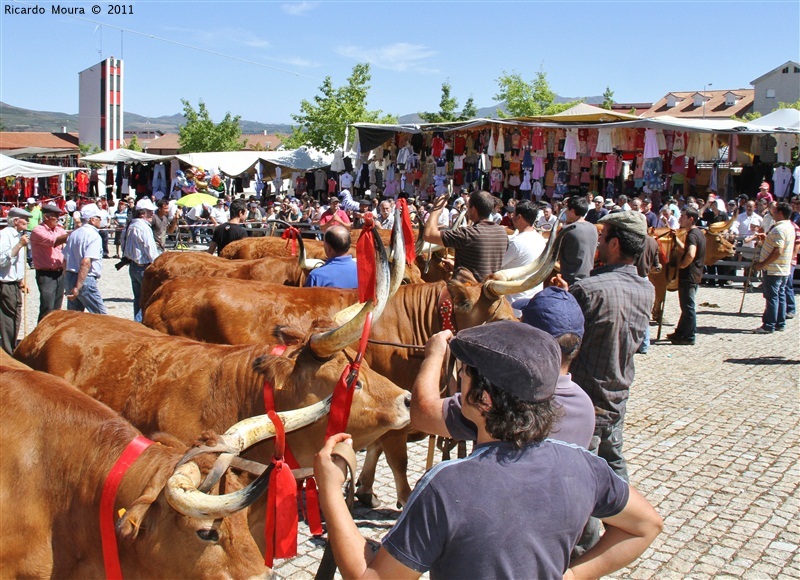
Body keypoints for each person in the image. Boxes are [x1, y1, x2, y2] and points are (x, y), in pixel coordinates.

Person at [315, 321, 663, 579]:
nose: (459, 380)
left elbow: (370, 578)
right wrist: (571, 575)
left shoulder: (446, 486)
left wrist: (330, 488)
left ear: (483, 398)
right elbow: (646, 525)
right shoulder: (584, 465)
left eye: (465, 374)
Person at [557, 211, 653, 480]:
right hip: (619, 390)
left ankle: (588, 522)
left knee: (582, 471)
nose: (598, 242)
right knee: (613, 460)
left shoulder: (588, 289)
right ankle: (621, 517)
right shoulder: (647, 289)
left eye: (603, 237)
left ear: (614, 244)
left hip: (586, 397)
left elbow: (566, 342)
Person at [423, 190, 508, 281]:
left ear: (474, 210)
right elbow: (485, 262)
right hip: (490, 291)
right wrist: (457, 266)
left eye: (468, 207)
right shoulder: (502, 233)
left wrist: (437, 208)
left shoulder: (467, 233)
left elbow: (428, 235)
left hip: (467, 292)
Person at [751, 202, 796, 333]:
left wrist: (762, 264)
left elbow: (778, 250)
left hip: (773, 268)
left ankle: (769, 325)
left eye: (774, 211)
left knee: (772, 297)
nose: (772, 213)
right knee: (780, 295)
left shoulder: (779, 229)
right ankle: (779, 323)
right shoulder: (789, 226)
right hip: (783, 268)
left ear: (780, 213)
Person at [498, 200, 546, 314]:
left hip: (514, 304)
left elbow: (496, 265)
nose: (512, 217)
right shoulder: (540, 239)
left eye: (514, 214)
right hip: (534, 299)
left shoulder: (516, 243)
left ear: (519, 217)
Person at [668, 207, 705, 345]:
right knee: (685, 306)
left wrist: (682, 265)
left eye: (682, 216)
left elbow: (690, 253)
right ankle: (680, 332)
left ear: (690, 219)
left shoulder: (692, 235)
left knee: (688, 306)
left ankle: (689, 336)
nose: (679, 218)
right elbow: (686, 248)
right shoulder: (698, 233)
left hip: (689, 275)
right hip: (693, 274)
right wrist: (676, 239)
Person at [63, 203, 107, 315]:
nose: (100, 220)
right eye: (99, 218)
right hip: (84, 279)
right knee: (102, 318)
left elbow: (65, 260)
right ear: (92, 220)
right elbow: (86, 262)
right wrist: (78, 287)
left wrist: (67, 282)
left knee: (74, 318)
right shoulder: (93, 236)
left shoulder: (73, 234)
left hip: (70, 276)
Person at [30, 203, 70, 322]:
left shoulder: (59, 229)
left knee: (57, 309)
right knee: (47, 307)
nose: (58, 219)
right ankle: (41, 335)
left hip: (59, 272)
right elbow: (54, 241)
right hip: (46, 273)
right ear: (46, 217)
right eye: (55, 216)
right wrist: (74, 234)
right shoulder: (38, 230)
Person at [122, 199, 160, 323]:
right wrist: (158, 264)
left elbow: (122, 243)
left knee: (138, 298)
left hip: (133, 265)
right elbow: (151, 250)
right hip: (144, 267)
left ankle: (137, 322)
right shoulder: (144, 228)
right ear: (142, 214)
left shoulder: (129, 225)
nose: (152, 214)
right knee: (148, 299)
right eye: (150, 212)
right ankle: (142, 324)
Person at [0, 207, 32, 354]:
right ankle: (8, 350)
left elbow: (18, 263)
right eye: (25, 220)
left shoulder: (19, 236)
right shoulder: (5, 235)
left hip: (14, 283)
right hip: (6, 284)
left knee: (15, 317)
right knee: (9, 319)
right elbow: (1, 261)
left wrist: (21, 280)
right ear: (16, 221)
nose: (28, 222)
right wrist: (19, 245)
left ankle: (10, 347)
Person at [558, 195, 599, 286]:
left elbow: (554, 254)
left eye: (566, 210)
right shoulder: (593, 228)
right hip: (588, 278)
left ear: (572, 211)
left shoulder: (567, 229)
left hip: (569, 281)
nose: (565, 213)